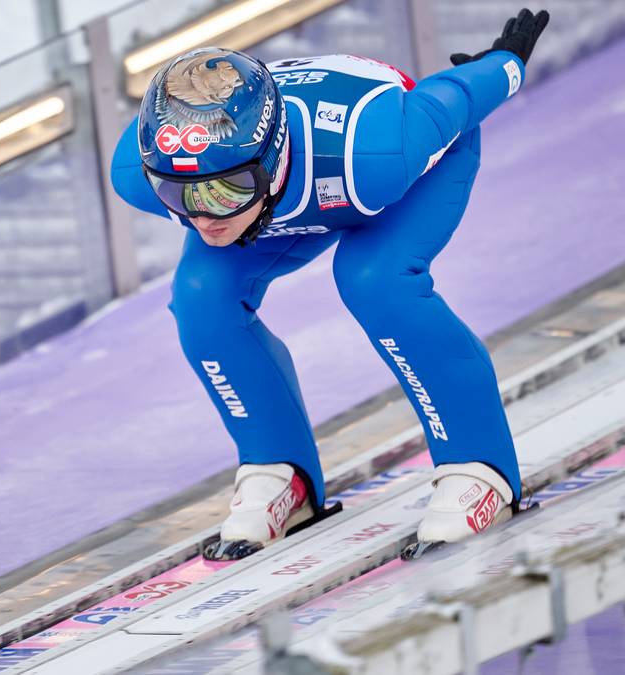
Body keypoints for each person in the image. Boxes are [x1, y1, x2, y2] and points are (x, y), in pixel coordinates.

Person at [110, 9, 550, 560]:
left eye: (224, 190)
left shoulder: (376, 151)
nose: (202, 217)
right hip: (274, 203)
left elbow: (453, 98)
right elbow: (206, 193)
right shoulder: (144, 171)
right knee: (202, 300)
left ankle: (479, 467)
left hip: (393, 174)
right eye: (177, 195)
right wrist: (222, 195)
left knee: (375, 281)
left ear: (269, 160)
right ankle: (279, 470)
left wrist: (504, 63)